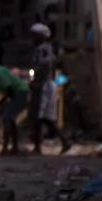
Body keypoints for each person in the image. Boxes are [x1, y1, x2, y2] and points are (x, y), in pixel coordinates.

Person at [27, 22, 64, 155]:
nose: (32, 38)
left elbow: (43, 66)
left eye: (35, 36)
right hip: (42, 85)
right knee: (42, 118)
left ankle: (40, 147)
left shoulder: (43, 50)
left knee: (41, 118)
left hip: (44, 86)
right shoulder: (43, 49)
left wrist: (34, 81)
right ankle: (61, 142)